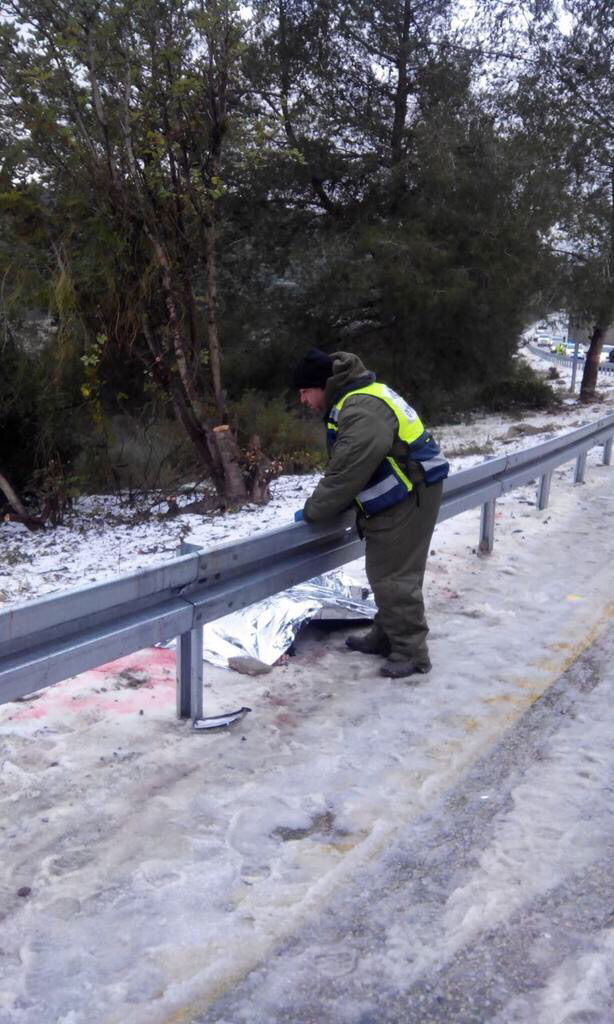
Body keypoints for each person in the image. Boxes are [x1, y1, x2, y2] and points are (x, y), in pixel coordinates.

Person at [293, 348, 448, 679]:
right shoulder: (358, 398)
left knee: (392, 575)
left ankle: (411, 652)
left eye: (305, 392)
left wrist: (314, 510)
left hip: (409, 493)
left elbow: (348, 469)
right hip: (407, 489)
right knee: (391, 570)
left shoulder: (360, 408)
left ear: (321, 386)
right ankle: (387, 634)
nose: (303, 400)